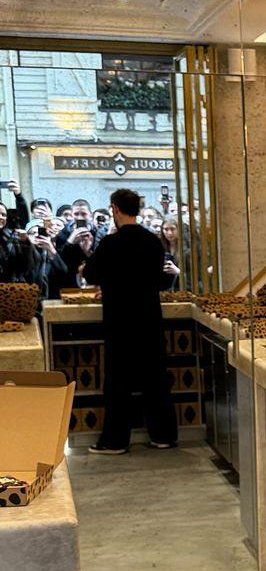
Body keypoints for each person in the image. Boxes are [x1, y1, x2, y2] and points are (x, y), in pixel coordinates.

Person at [84, 187, 178, 455]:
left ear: (114, 209)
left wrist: (109, 281)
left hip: (120, 319)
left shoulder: (111, 243)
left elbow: (91, 274)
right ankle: (164, 436)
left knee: (118, 382)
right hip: (149, 317)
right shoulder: (152, 242)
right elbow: (157, 278)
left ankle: (115, 440)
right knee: (156, 378)